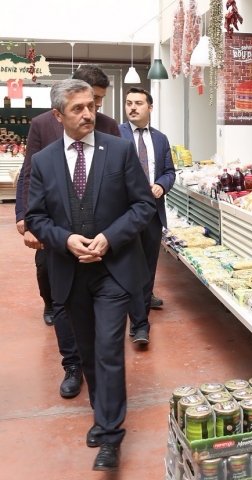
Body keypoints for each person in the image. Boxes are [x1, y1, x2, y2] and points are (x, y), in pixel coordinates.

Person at [26, 79, 155, 471]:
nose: (88, 114)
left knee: (109, 350)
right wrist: (65, 241)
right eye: (78, 108)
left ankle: (111, 434)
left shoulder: (118, 150)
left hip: (113, 271)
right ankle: (103, 413)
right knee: (87, 353)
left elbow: (143, 205)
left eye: (90, 106)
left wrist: (108, 238)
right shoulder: (45, 160)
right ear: (58, 115)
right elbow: (35, 216)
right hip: (70, 272)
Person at [14, 65, 122, 399]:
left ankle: (94, 369)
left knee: (96, 311)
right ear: (61, 109)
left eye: (96, 102)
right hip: (56, 229)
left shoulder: (108, 128)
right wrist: (25, 218)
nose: (92, 111)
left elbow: (118, 181)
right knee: (59, 293)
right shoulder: (41, 125)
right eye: (84, 103)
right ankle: (72, 364)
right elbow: (29, 172)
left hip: (98, 234)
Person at [119, 87, 175, 344]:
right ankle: (139, 322)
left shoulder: (161, 139)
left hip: (152, 212)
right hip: (124, 212)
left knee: (148, 265)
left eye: (139, 103)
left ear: (150, 108)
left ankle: (140, 315)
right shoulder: (114, 135)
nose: (132, 107)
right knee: (128, 264)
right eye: (129, 103)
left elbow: (169, 172)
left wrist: (161, 185)